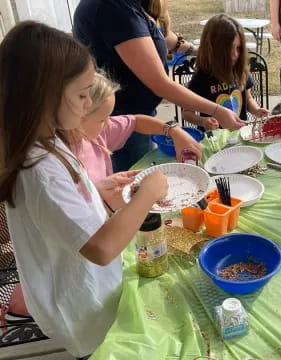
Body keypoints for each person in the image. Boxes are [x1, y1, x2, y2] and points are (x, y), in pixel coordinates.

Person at [0, 21, 168, 358]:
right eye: (80, 95)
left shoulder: (50, 140)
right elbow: (101, 248)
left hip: (89, 294)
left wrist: (98, 193)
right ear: (43, 96)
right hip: (81, 311)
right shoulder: (40, 170)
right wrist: (149, 191)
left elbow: (62, 215)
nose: (85, 104)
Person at [73, 0, 244, 172]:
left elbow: (160, 34)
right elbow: (160, 84)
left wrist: (194, 50)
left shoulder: (133, 6)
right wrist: (218, 110)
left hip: (134, 119)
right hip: (118, 123)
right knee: (132, 182)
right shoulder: (115, 9)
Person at [71, 71, 201, 193]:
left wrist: (175, 131)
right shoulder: (61, 164)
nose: (109, 123)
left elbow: (136, 121)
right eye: (102, 119)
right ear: (79, 117)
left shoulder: (98, 131)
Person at [181, 14, 269, 130]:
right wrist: (203, 121)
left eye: (238, 48)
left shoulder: (240, 70)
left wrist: (256, 110)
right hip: (215, 140)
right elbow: (187, 113)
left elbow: (248, 99)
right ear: (213, 48)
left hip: (240, 133)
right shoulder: (201, 77)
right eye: (229, 49)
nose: (235, 55)